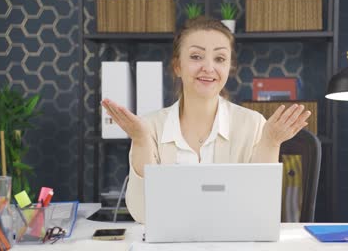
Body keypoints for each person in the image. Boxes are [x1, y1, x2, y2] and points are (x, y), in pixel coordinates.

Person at [101, 16, 311, 223]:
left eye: (219, 59)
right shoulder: (149, 127)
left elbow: (262, 210)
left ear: (229, 68)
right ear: (177, 66)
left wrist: (271, 142)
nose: (208, 68)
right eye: (196, 56)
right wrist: (140, 139)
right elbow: (143, 214)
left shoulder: (253, 124)